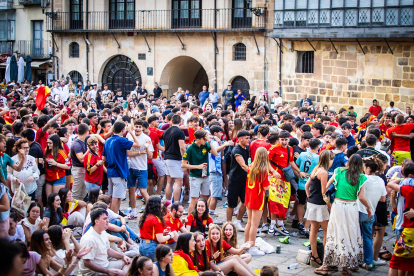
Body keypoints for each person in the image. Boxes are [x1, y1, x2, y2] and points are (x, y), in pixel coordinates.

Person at [315, 154, 372, 275]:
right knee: (350, 234)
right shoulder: (362, 177)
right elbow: (361, 197)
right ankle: (346, 267)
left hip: (338, 206)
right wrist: (368, 207)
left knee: (334, 232)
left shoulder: (339, 171)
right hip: (351, 207)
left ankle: (327, 264)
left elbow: (325, 187)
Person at [268, 130, 302, 236]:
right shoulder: (273, 149)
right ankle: (272, 224)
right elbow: (266, 161)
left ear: (289, 139)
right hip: (275, 180)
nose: (284, 142)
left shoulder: (290, 149)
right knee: (274, 202)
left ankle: (280, 224)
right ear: (278, 140)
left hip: (286, 180)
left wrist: (299, 172)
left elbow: (291, 162)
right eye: (282, 140)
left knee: (284, 203)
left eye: (286, 139)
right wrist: (273, 171)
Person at [102, 120, 141, 214]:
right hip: (119, 171)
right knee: (116, 197)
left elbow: (103, 157)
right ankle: (114, 218)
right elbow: (138, 145)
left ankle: (114, 215)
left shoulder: (107, 140)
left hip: (111, 171)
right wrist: (131, 132)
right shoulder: (121, 140)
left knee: (113, 196)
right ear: (123, 129)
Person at [79, 208, 131, 276]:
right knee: (121, 273)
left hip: (105, 264)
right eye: (105, 219)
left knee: (129, 261)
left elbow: (108, 250)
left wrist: (123, 256)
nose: (108, 221)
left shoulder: (102, 232)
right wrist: (107, 271)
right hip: (92, 272)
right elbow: (87, 263)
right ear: (96, 221)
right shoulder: (89, 238)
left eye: (107, 218)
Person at [304, 150, 334, 267]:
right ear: (328, 160)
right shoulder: (324, 172)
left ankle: (315, 255)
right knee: (327, 231)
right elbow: (324, 192)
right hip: (320, 205)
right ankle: (326, 257)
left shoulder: (315, 169)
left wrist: (310, 197)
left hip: (312, 203)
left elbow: (307, 186)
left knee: (314, 230)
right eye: (332, 159)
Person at [358, 156, 387, 270]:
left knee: (356, 237)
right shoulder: (380, 180)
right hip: (371, 214)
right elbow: (383, 199)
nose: (363, 169)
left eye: (364, 167)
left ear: (368, 168)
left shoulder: (363, 178)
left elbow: (359, 196)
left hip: (360, 210)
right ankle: (368, 262)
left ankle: (355, 260)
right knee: (368, 237)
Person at [387, 163, 414, 276]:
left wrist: (403, 179)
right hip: (408, 229)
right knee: (410, 264)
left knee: (395, 262)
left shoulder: (408, 189)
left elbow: (390, 183)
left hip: (409, 231)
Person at [182, 130, 217, 214]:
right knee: (194, 199)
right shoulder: (190, 148)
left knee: (204, 198)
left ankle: (202, 218)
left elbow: (215, 153)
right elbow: (183, 165)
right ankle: (189, 220)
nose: (205, 140)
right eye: (204, 139)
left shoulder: (206, 144)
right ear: (198, 140)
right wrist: (197, 166)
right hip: (195, 176)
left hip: (205, 175)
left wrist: (209, 141)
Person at [244, 147, 270, 256]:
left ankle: (245, 244)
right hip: (257, 198)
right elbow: (266, 187)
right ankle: (252, 247)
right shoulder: (263, 169)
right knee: (255, 224)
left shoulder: (251, 166)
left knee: (249, 223)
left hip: (249, 196)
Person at [126, 119, 154, 219]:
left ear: (142, 128)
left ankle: (151, 212)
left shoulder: (146, 138)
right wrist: (139, 153)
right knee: (131, 189)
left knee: (143, 191)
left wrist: (146, 148)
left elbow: (150, 156)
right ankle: (133, 212)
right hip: (131, 167)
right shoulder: (129, 136)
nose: (137, 129)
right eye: (136, 126)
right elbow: (128, 153)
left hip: (142, 168)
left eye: (139, 127)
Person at [295, 138, 321, 237]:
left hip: (301, 182)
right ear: (318, 146)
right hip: (312, 183)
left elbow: (297, 163)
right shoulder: (318, 157)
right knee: (310, 204)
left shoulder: (302, 155)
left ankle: (300, 222)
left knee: (301, 202)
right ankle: (307, 227)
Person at [226, 130, 250, 229]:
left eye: (249, 138)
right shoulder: (236, 150)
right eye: (247, 138)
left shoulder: (246, 149)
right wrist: (256, 173)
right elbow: (243, 166)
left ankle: (238, 221)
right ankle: (228, 224)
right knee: (231, 204)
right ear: (240, 139)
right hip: (235, 180)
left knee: (245, 202)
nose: (249, 140)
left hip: (245, 180)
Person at [139, 196, 172, 261]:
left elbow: (150, 232)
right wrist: (170, 235)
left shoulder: (146, 216)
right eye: (161, 203)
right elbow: (161, 239)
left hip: (142, 245)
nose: (162, 205)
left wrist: (162, 233)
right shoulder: (156, 219)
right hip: (151, 247)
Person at [163, 115, 186, 201]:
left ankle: (168, 203)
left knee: (169, 182)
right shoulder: (180, 132)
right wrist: (184, 159)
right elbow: (182, 147)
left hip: (167, 157)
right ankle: (176, 204)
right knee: (178, 182)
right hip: (175, 159)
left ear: (171, 121)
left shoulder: (166, 131)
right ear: (180, 122)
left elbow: (165, 147)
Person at [70, 123, 90, 200]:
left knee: (83, 193)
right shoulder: (76, 143)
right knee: (76, 193)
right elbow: (81, 158)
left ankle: (79, 210)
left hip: (84, 169)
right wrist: (89, 150)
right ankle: (71, 211)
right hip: (78, 169)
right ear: (86, 132)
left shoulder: (85, 140)